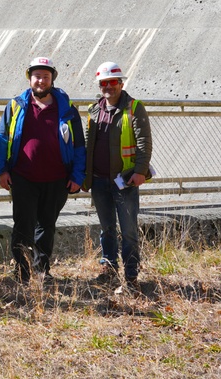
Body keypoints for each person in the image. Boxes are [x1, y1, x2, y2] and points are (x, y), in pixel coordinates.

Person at [0, 56, 85, 283]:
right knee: (23, 225)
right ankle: (22, 270)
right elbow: (2, 139)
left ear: (52, 79)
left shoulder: (67, 109)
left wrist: (77, 175)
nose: (41, 81)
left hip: (57, 179)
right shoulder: (16, 106)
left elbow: (79, 145)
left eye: (46, 76)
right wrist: (2, 170)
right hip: (23, 177)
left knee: (46, 226)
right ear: (29, 79)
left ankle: (41, 270)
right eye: (37, 76)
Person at [83, 61, 152, 290]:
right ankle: (109, 268)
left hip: (125, 180)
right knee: (107, 228)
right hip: (99, 180)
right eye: (104, 82)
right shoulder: (94, 110)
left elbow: (144, 143)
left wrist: (140, 172)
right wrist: (85, 177)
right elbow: (87, 145)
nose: (108, 86)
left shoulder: (134, 107)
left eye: (113, 82)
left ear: (121, 83)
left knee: (129, 229)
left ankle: (131, 274)